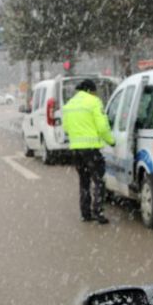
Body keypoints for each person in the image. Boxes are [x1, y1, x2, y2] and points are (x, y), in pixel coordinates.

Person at [62, 79, 115, 224]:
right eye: (94, 90)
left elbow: (66, 128)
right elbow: (103, 127)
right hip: (91, 149)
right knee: (99, 181)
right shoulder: (94, 102)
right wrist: (111, 141)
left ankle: (85, 213)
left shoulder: (69, 104)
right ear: (90, 90)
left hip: (76, 151)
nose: (95, 93)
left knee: (84, 181)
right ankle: (98, 212)